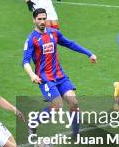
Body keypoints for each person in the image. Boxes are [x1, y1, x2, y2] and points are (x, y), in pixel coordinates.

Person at [23, 8, 97, 139]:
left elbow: (70, 44)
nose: (42, 21)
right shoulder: (31, 39)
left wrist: (89, 53)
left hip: (59, 75)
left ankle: (76, 135)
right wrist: (32, 75)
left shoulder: (54, 33)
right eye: (39, 19)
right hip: (45, 78)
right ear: (34, 20)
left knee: (73, 102)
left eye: (44, 18)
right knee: (57, 105)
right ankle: (33, 123)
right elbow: (25, 61)